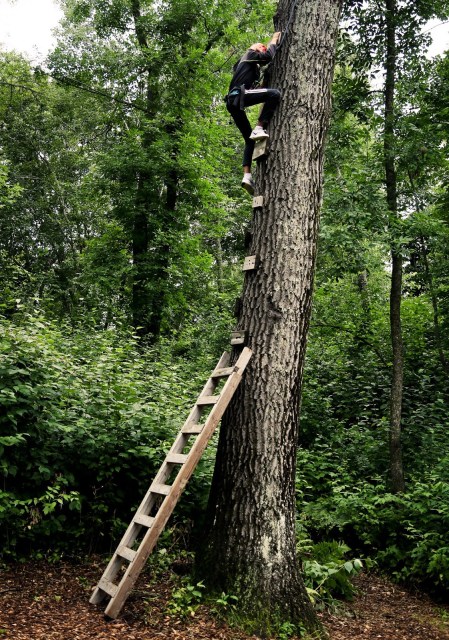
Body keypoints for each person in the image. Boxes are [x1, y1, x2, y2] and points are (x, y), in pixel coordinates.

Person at [225, 32, 282, 195]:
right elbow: (268, 56)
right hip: (238, 96)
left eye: (263, 46)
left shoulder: (247, 67)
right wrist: (273, 40)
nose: (262, 47)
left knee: (249, 140)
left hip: (234, 102)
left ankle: (247, 176)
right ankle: (259, 127)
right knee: (275, 94)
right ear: (253, 48)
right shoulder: (249, 54)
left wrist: (264, 80)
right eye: (260, 46)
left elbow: (256, 90)